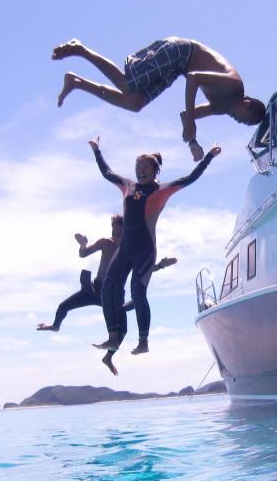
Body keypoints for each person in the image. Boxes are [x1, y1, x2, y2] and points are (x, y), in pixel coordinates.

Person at [88, 135, 221, 375]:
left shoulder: (162, 190)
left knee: (138, 291)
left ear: (155, 170)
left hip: (144, 250)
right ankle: (113, 336)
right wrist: (97, 150)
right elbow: (107, 173)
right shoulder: (127, 186)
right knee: (109, 285)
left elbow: (190, 178)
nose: (140, 172)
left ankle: (143, 342)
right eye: (137, 168)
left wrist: (209, 156)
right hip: (125, 248)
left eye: (145, 168)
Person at [52, 37, 265, 161]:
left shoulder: (222, 108)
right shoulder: (234, 85)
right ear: (246, 104)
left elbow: (185, 115)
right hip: (182, 52)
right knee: (129, 83)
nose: (240, 122)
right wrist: (191, 121)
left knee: (133, 102)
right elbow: (194, 78)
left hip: (180, 68)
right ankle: (80, 49)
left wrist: (193, 142)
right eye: (245, 119)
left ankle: (77, 82)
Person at [36, 215, 178, 331]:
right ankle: (55, 326)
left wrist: (160, 265)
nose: (115, 237)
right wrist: (83, 245)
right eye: (113, 233)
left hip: (112, 294)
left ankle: (112, 352)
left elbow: (144, 269)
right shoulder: (105, 242)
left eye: (119, 234)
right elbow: (83, 254)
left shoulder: (130, 252)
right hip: (93, 289)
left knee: (123, 318)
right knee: (63, 306)